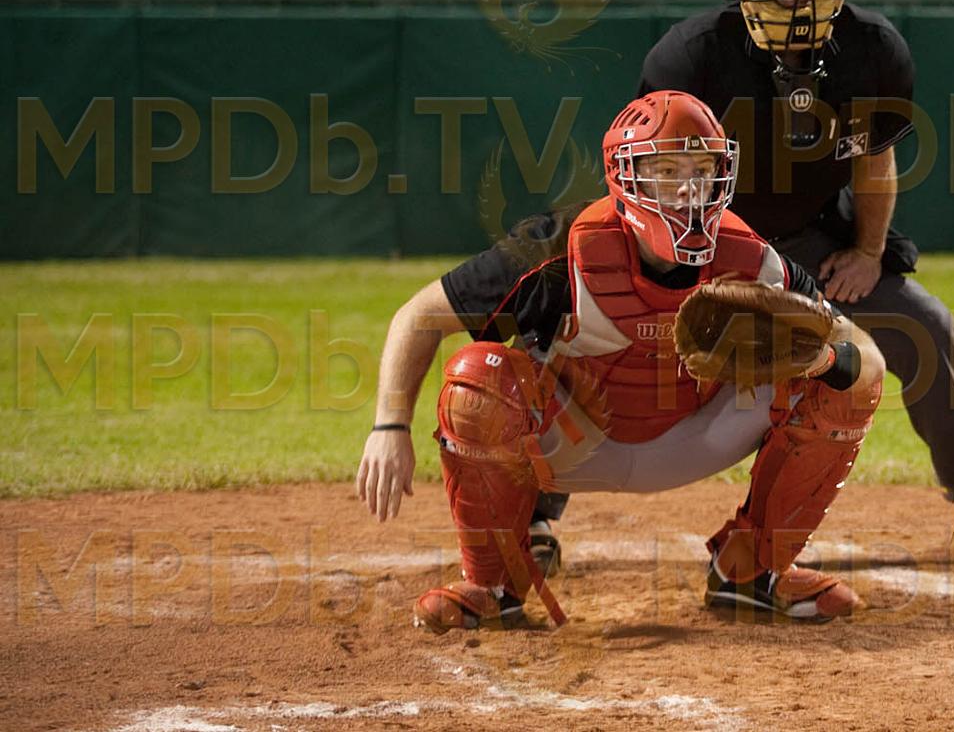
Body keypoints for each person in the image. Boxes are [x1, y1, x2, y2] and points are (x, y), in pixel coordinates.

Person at [354, 91, 887, 629]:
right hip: (575, 445)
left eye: (703, 169)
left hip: (697, 435)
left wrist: (823, 359)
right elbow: (419, 317)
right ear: (626, 175)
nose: (689, 188)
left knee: (853, 383)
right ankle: (493, 584)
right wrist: (389, 426)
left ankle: (753, 571)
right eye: (668, 170)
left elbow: (864, 356)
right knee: (478, 380)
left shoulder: (751, 259)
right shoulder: (559, 249)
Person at [635, 0, 954, 563]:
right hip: (697, 239)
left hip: (808, 240)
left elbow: (875, 162)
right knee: (614, 328)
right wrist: (702, 262)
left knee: (922, 324)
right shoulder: (692, 55)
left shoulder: (873, 51)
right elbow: (658, 178)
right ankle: (537, 506)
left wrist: (869, 253)